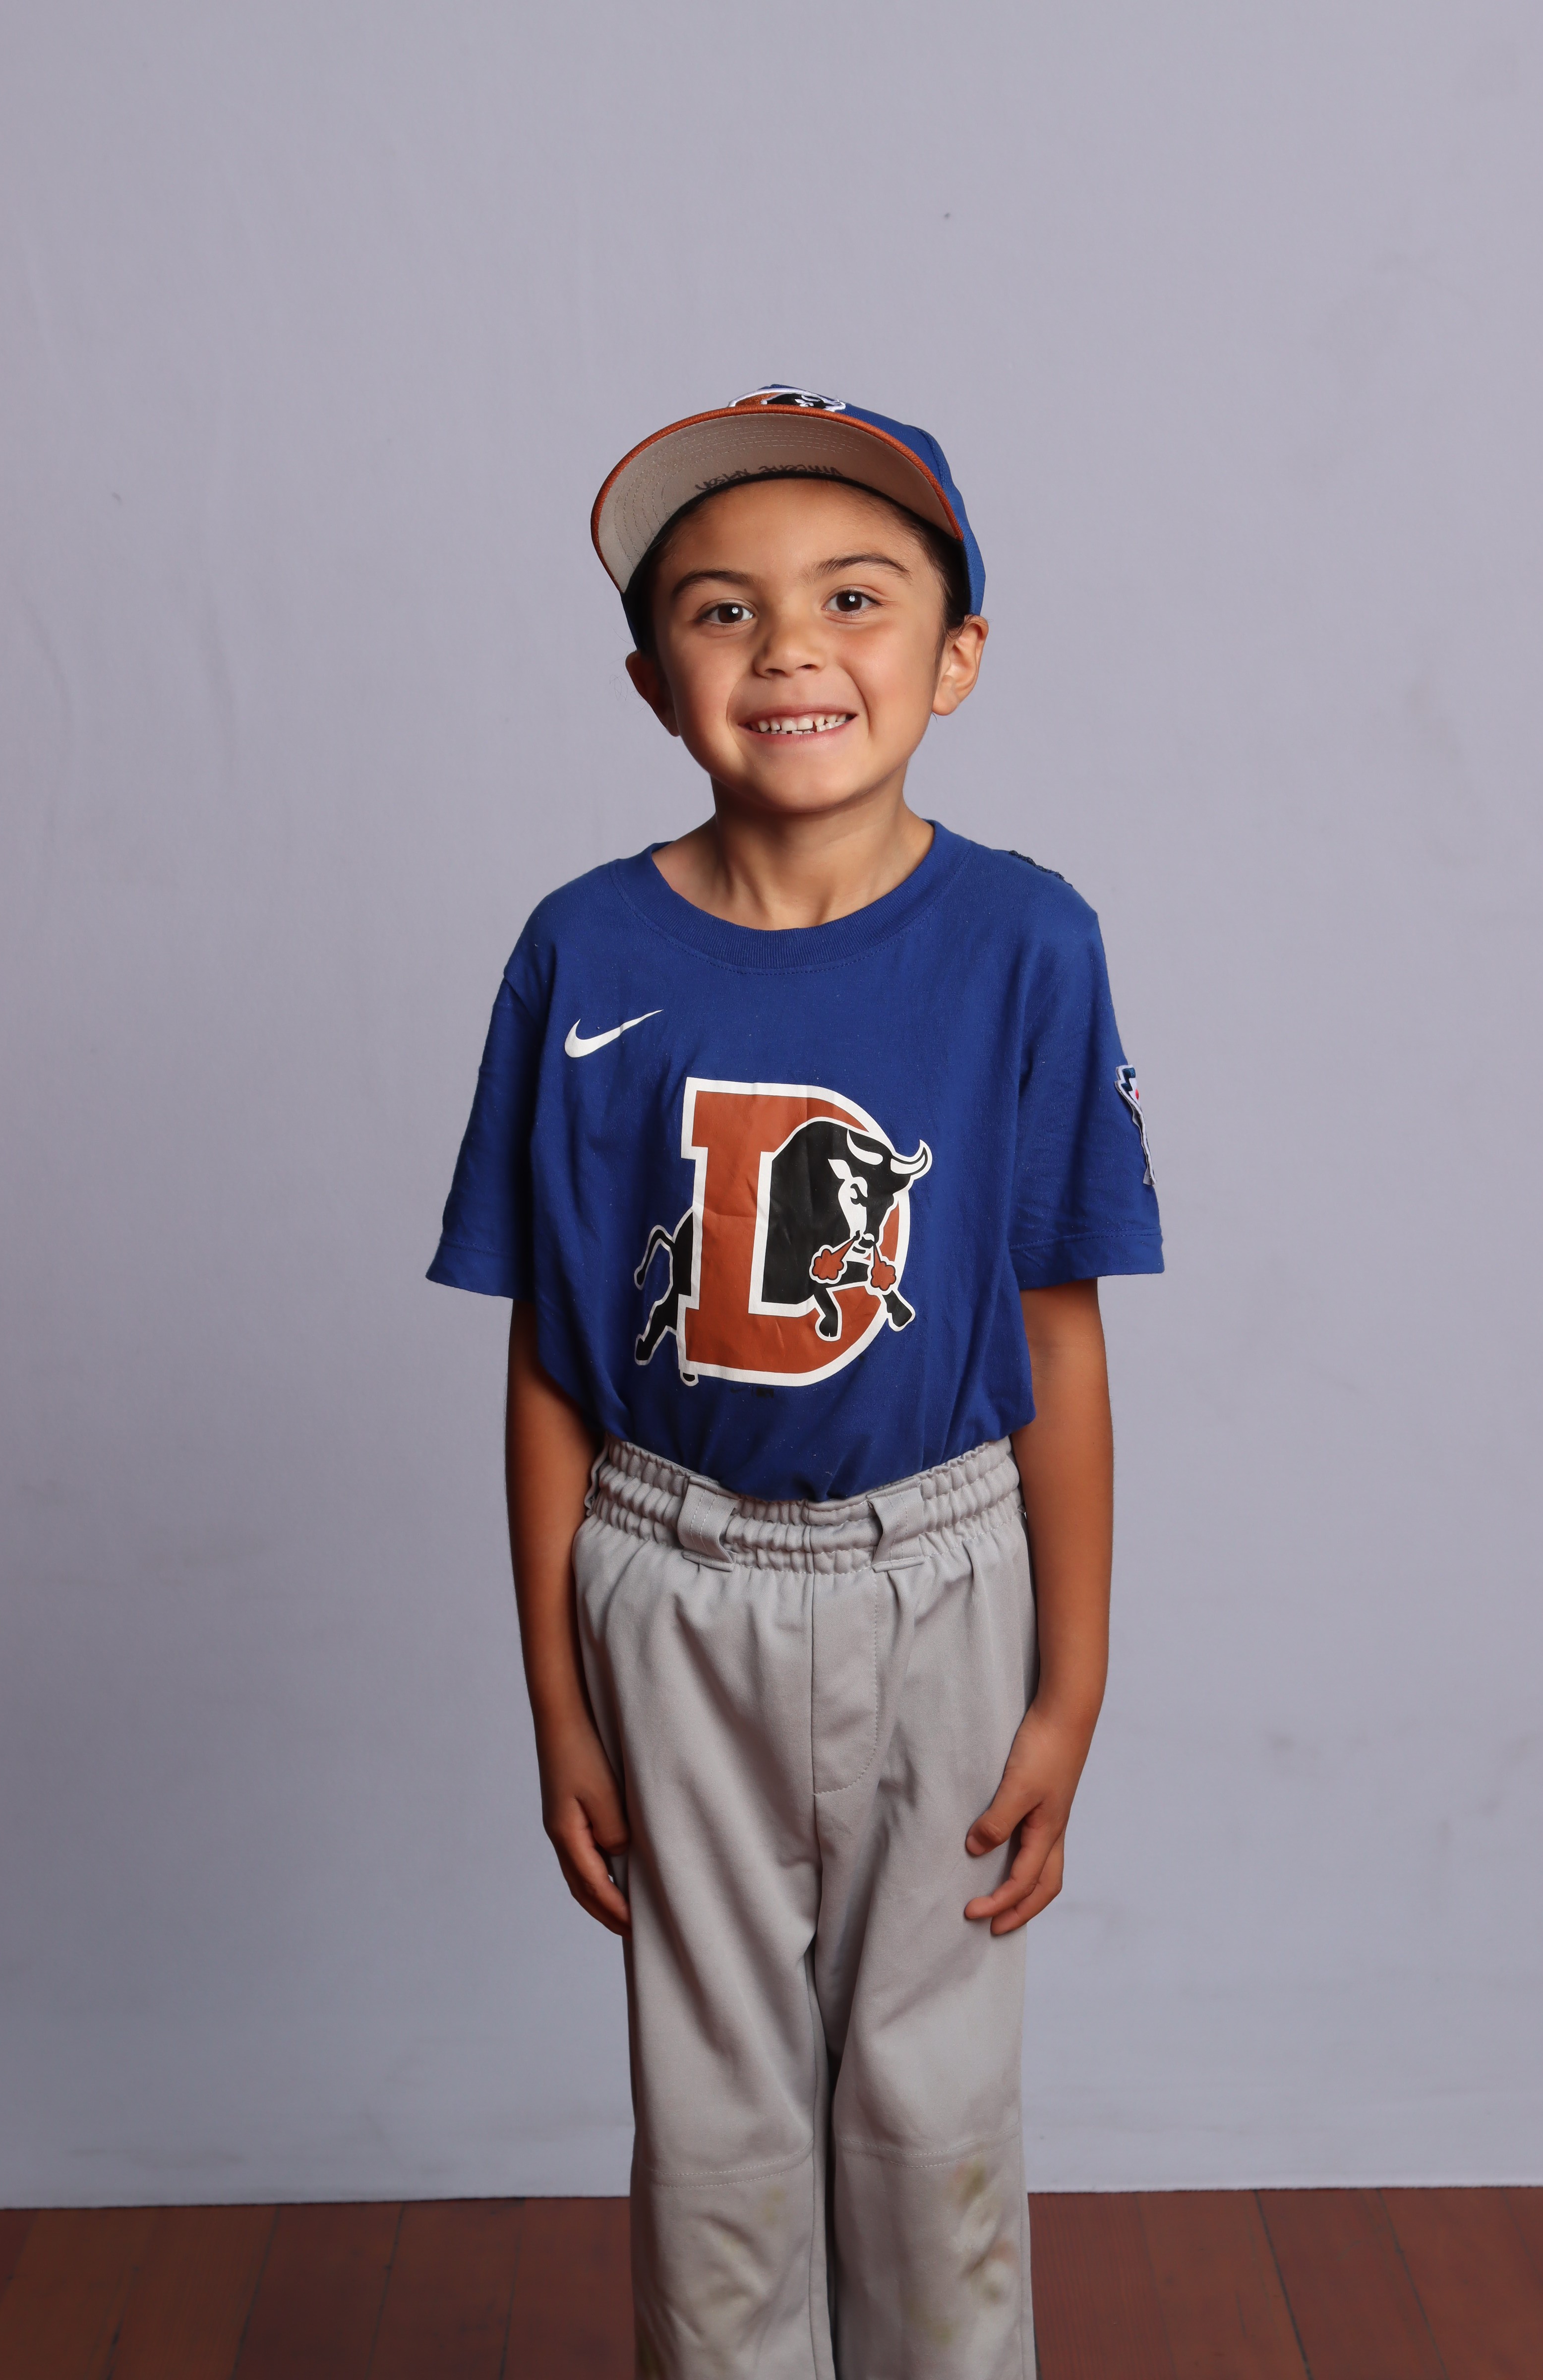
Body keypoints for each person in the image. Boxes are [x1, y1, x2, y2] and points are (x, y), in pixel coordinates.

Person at [427, 384, 1163, 2379]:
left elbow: (1056, 1326)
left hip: (945, 1572)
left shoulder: (1024, 941)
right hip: (668, 1579)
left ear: (956, 654)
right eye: (720, 609)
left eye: (852, 596)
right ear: (651, 680)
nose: (788, 650)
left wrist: (1073, 1681)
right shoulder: (581, 953)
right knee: (719, 2137)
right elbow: (549, 1355)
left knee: (934, 2119)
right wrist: (557, 1698)